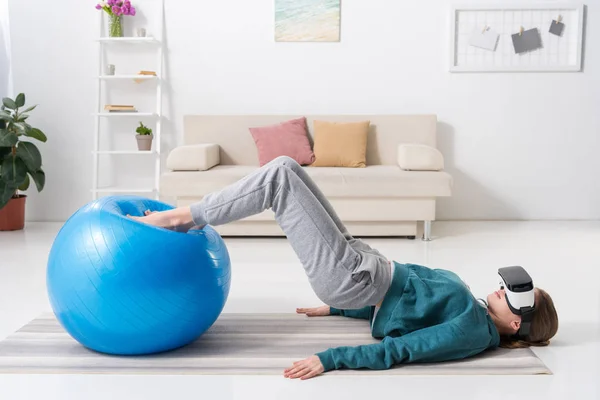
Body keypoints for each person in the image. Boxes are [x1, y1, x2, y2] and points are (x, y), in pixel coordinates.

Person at [130, 156, 559, 380]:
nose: (500, 289)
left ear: (518, 325)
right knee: (289, 167)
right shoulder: (475, 310)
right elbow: (404, 310)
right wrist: (339, 312)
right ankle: (184, 216)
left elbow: (405, 348)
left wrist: (331, 358)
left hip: (353, 277)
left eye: (513, 296)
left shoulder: (470, 330)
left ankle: (179, 218)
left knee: (278, 175)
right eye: (505, 285)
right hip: (360, 265)